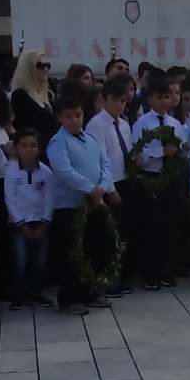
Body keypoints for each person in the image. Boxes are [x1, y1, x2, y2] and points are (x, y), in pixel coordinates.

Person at [45, 90, 117, 315]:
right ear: (60, 117)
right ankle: (69, 297)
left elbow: (106, 165)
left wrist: (102, 187)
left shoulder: (92, 139)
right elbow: (65, 172)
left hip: (93, 204)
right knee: (71, 252)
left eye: (78, 115)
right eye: (69, 116)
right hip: (70, 206)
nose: (75, 120)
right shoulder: (57, 143)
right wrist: (90, 188)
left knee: (93, 248)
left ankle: (90, 291)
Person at [87, 75, 138, 299]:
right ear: (104, 99)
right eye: (115, 100)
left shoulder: (125, 124)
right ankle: (105, 279)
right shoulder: (96, 124)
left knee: (123, 231)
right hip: (109, 184)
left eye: (123, 101)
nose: (120, 105)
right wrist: (110, 189)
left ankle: (119, 274)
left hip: (126, 180)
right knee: (107, 234)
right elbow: (99, 160)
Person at [4, 128, 53, 310]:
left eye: (33, 145)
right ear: (17, 148)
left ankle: (36, 293)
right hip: (20, 222)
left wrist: (44, 223)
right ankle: (19, 296)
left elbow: (50, 199)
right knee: (20, 260)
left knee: (40, 261)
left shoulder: (46, 172)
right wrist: (21, 224)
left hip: (40, 221)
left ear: (39, 148)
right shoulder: (11, 171)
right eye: (24, 146)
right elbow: (9, 199)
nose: (29, 149)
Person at [8, 50, 58, 150]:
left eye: (47, 65)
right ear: (28, 68)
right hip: (35, 151)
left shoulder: (48, 98)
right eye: (40, 65)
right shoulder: (20, 96)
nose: (45, 69)